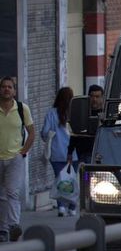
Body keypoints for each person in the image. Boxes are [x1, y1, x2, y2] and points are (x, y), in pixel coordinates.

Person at [0, 76, 34, 242]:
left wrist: (23, 152)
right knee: (1, 195)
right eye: (4, 86)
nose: (6, 89)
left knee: (12, 192)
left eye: (9, 87)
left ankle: (13, 225)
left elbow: (31, 132)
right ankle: (2, 229)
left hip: (15, 158)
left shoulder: (22, 109)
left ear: (14, 91)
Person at [41, 86, 75, 216]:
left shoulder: (51, 113)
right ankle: (72, 207)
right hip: (73, 154)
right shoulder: (75, 112)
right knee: (71, 180)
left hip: (56, 153)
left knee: (59, 180)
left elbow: (45, 132)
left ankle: (61, 206)